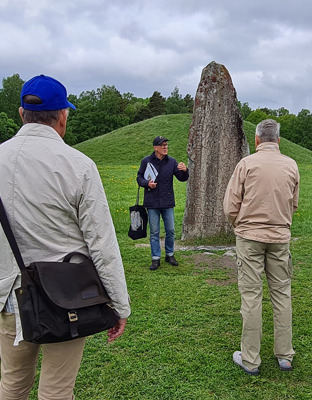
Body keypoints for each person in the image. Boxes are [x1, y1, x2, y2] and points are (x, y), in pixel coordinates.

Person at [0, 74, 131, 399]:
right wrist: (119, 304)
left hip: (6, 295)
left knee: (12, 384)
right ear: (63, 116)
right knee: (57, 390)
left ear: (21, 114)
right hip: (66, 299)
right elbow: (102, 245)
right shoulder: (79, 166)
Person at [223, 119, 300, 375]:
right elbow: (294, 204)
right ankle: (284, 355)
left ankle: (251, 358)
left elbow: (230, 205)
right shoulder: (291, 165)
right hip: (279, 237)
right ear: (278, 140)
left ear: (256, 140)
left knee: (251, 296)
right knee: (282, 294)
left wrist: (241, 224)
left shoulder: (246, 164)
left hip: (250, 237)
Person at [137, 136, 189, 271]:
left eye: (166, 145)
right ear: (155, 148)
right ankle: (155, 258)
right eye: (162, 145)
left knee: (170, 230)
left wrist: (185, 170)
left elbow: (182, 178)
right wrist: (146, 183)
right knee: (154, 232)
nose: (165, 147)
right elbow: (139, 177)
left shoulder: (172, 162)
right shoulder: (146, 161)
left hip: (167, 201)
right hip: (152, 202)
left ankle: (170, 255)